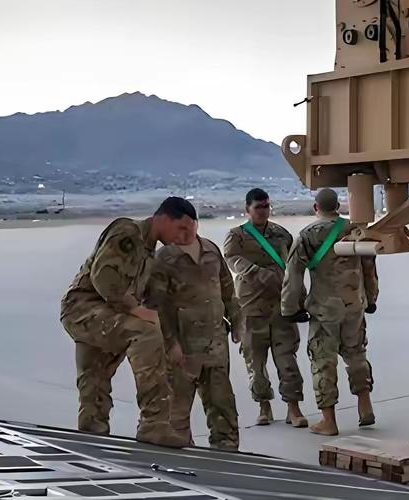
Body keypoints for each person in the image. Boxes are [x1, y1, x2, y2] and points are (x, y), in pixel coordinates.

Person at [59, 197, 195, 447]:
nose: (184, 237)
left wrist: (171, 343)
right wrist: (134, 308)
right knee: (144, 334)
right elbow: (103, 277)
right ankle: (153, 424)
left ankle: (92, 437)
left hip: (103, 314)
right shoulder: (128, 232)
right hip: (83, 308)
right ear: (163, 218)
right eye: (182, 229)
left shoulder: (149, 253)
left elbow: (153, 303)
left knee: (95, 379)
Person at [282, 188, 378, 436]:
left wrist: (290, 308)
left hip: (325, 310)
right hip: (354, 306)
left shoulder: (307, 235)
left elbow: (293, 275)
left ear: (316, 208)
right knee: (356, 354)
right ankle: (364, 406)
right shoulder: (354, 230)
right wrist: (371, 299)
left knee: (323, 362)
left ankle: (329, 420)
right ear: (338, 205)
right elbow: (369, 266)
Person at [149, 216, 241, 450]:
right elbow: (156, 305)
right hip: (183, 347)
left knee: (222, 406)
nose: (186, 233)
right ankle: (180, 460)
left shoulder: (210, 249)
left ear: (196, 224)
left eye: (190, 226)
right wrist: (170, 344)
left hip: (215, 344)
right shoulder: (164, 258)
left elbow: (227, 289)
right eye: (180, 227)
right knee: (176, 412)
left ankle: (227, 454)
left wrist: (237, 321)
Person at [224, 189, 306, 428]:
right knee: (256, 364)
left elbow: (295, 268)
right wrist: (259, 274)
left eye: (266, 206)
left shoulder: (281, 234)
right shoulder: (237, 236)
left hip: (281, 309)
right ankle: (264, 407)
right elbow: (233, 260)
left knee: (287, 361)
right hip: (251, 309)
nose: (263, 211)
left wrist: (299, 299)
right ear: (247, 209)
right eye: (258, 207)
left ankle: (294, 408)